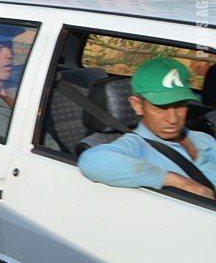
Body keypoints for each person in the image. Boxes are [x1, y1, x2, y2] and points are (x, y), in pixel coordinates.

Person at [78, 57, 215, 199]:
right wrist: (177, 181)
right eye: (161, 107)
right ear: (137, 105)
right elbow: (91, 161)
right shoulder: (137, 146)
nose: (173, 119)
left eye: (180, 105)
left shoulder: (204, 138)